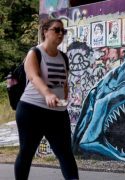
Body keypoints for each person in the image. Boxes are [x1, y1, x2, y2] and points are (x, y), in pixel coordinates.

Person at [14, 19, 79, 179]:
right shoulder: (34, 53)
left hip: (57, 113)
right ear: (45, 31)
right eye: (56, 30)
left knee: (65, 153)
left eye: (62, 31)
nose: (60, 34)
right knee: (27, 152)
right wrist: (48, 94)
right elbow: (34, 77)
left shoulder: (63, 57)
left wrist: (64, 99)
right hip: (31, 110)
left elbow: (64, 83)